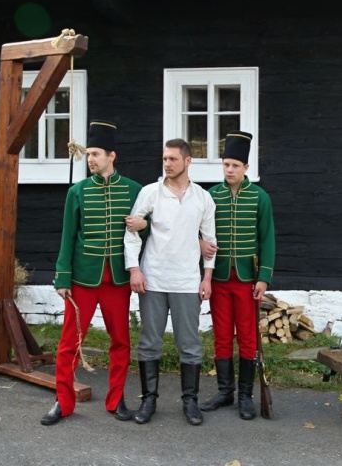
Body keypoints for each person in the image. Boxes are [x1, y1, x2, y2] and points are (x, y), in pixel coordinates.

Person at [41, 121, 142, 426]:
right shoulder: (78, 191)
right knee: (69, 344)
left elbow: (145, 232)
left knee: (121, 342)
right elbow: (68, 236)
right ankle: (63, 402)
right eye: (88, 155)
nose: (90, 159)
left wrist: (145, 226)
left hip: (118, 281)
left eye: (96, 154)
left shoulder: (134, 190)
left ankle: (116, 399)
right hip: (83, 280)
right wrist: (62, 277)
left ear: (112, 155)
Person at [124, 138, 217, 426]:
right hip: (153, 279)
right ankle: (148, 400)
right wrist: (134, 269)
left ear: (188, 161)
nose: (167, 163)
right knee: (149, 343)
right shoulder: (150, 192)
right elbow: (132, 231)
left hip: (187, 281)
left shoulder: (202, 198)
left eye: (173, 159)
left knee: (189, 344)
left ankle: (190, 401)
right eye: (165, 158)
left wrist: (207, 278)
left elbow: (210, 240)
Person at [199, 131, 276, 420]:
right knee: (221, 335)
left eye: (235, 165)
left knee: (247, 337)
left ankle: (245, 395)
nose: (229, 170)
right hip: (218, 277)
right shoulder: (211, 196)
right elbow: (198, 231)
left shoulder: (259, 197)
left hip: (247, 280)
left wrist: (263, 278)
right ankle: (224, 391)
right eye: (226, 164)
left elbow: (267, 239)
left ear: (246, 167)